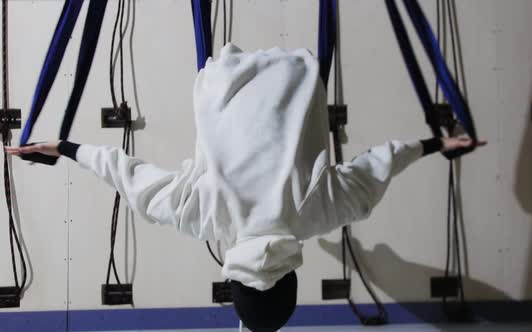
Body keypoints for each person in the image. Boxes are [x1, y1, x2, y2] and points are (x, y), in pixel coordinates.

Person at [6, 44, 485, 332]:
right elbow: (125, 173)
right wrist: (64, 148)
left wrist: (437, 144)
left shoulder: (322, 214)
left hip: (298, 68)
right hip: (223, 74)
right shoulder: (204, 216)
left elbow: (382, 161)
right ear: (231, 278)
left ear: (294, 276)